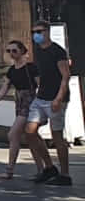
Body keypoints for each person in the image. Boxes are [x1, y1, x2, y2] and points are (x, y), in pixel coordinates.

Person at [0, 40, 48, 180]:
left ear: (22, 51)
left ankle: (10, 171)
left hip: (31, 103)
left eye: (14, 51)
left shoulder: (31, 68)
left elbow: (41, 85)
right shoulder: (12, 71)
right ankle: (43, 169)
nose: (11, 54)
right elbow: (3, 91)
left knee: (13, 134)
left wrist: (41, 102)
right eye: (9, 51)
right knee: (32, 137)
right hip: (20, 103)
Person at [29, 26, 73, 186]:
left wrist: (59, 98)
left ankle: (65, 174)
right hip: (41, 97)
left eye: (39, 31)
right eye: (34, 32)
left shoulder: (58, 51)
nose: (36, 35)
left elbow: (65, 75)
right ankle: (49, 167)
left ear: (47, 32)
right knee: (30, 131)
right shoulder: (38, 50)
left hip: (56, 98)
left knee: (57, 136)